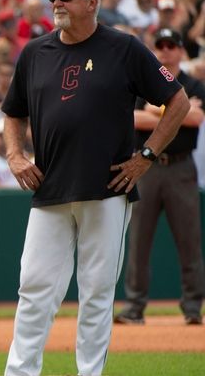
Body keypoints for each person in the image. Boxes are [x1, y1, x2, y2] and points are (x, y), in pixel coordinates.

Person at [1, 0, 190, 376]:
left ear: (92, 1)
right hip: (49, 187)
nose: (56, 2)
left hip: (107, 188)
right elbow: (12, 113)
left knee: (97, 293)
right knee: (33, 289)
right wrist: (15, 156)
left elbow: (178, 101)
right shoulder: (35, 52)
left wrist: (147, 156)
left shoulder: (124, 49)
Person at [115, 28, 205, 326]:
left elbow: (196, 117)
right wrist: (173, 111)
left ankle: (192, 308)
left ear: (181, 50)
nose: (165, 50)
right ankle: (134, 307)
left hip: (181, 167)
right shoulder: (145, 84)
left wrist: (158, 111)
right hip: (147, 166)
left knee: (189, 241)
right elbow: (130, 117)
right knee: (139, 240)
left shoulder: (193, 84)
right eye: (160, 45)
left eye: (171, 45)